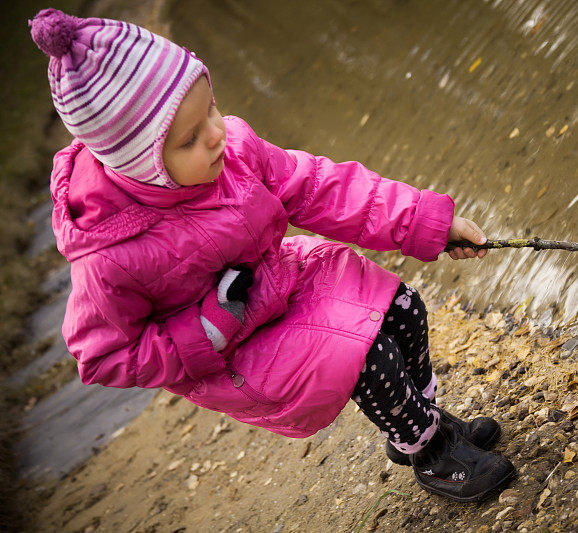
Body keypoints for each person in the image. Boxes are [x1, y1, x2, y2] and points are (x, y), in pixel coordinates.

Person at [29, 8, 515, 502]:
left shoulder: (233, 149)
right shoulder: (110, 256)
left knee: (405, 308)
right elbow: (104, 355)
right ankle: (432, 454)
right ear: (141, 164)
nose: (216, 133)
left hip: (285, 280)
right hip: (238, 352)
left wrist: (424, 223)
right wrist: (210, 328)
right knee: (369, 356)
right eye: (190, 139)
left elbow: (323, 188)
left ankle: (418, 425)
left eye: (211, 109)